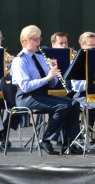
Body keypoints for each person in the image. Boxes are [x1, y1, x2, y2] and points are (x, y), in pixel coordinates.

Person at [11, 25, 82, 155]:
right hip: (26, 97)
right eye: (35, 39)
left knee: (74, 103)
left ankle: (70, 142)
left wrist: (53, 73)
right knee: (63, 106)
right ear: (25, 41)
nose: (38, 42)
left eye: (39, 38)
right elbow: (25, 86)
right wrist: (46, 78)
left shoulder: (40, 57)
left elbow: (51, 84)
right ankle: (46, 139)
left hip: (40, 94)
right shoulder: (19, 60)